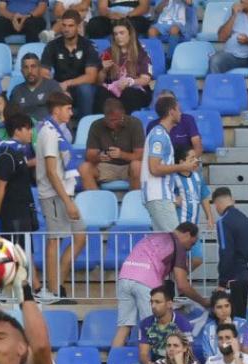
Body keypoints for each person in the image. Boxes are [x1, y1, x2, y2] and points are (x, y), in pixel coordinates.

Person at [114, 223, 203, 348]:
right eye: (192, 244)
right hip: (145, 281)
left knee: (124, 327)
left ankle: (114, 361)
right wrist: (203, 302)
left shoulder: (154, 237)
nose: (190, 248)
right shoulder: (178, 245)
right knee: (153, 326)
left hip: (124, 276)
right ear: (187, 234)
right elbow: (182, 285)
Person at [33, 92, 85, 305]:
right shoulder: (49, 133)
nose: (71, 112)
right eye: (68, 108)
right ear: (57, 109)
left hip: (64, 193)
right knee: (55, 240)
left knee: (80, 236)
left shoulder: (58, 132)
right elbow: (52, 171)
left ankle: (57, 284)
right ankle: (53, 292)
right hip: (56, 195)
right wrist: (67, 201)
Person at [0, 114, 42, 285]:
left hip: (24, 209)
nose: (31, 132)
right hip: (13, 212)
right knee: (16, 250)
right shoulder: (6, 154)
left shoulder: (17, 152)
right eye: (28, 128)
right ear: (17, 130)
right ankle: (14, 287)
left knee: (26, 248)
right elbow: (0, 186)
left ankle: (35, 285)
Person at [142, 96, 203, 234]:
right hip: (158, 195)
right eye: (178, 110)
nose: (181, 113)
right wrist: (183, 167)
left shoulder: (162, 134)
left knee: (164, 244)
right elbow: (154, 168)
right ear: (171, 112)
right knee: (177, 241)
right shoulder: (159, 135)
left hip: (161, 195)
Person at [214, 187, 248, 318]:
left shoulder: (223, 222)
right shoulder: (246, 220)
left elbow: (225, 252)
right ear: (232, 200)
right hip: (244, 276)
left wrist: (222, 282)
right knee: (240, 318)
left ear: (217, 204)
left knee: (229, 321)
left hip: (231, 278)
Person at [80, 99, 144, 190]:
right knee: (84, 168)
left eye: (115, 120)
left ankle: (135, 201)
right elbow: (89, 155)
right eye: (109, 120)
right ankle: (95, 201)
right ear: (105, 116)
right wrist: (99, 157)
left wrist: (122, 155)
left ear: (123, 114)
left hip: (128, 167)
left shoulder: (135, 123)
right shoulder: (96, 125)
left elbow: (140, 155)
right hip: (106, 166)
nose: (112, 123)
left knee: (138, 166)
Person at [100, 19, 155, 113]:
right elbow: (99, 81)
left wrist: (130, 82)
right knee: (101, 92)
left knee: (128, 92)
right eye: (116, 34)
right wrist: (104, 70)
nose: (118, 37)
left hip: (136, 91)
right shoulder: (107, 52)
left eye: (122, 33)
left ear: (130, 34)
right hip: (114, 91)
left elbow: (145, 80)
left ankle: (127, 124)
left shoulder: (142, 53)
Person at [137, 284, 190, 364]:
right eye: (152, 302)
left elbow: (188, 350)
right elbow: (144, 353)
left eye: (157, 302)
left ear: (169, 304)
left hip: (177, 363)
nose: (153, 306)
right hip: (155, 362)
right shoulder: (145, 323)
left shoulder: (182, 323)